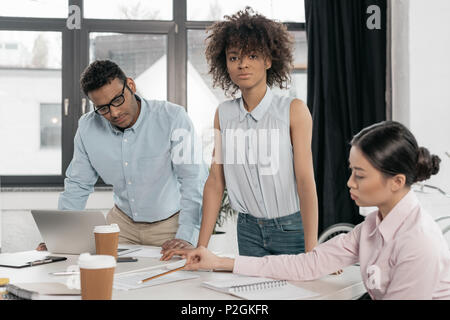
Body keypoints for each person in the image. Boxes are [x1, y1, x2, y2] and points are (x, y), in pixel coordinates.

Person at [164, 121, 450, 300]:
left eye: (360, 175)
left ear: (396, 182)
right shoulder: (373, 227)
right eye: (351, 171)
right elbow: (307, 264)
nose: (349, 183)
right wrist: (219, 262)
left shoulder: (418, 241)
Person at [163, 7, 319, 259]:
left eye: (252, 56)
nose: (242, 64)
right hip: (247, 231)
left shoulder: (293, 110)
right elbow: (215, 181)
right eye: (234, 57)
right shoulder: (223, 114)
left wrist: (313, 249)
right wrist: (202, 247)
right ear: (225, 64)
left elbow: (305, 181)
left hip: (290, 228)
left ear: (268, 60)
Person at [37, 60, 208, 251]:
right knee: (112, 278)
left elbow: (193, 180)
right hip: (121, 224)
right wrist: (62, 234)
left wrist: (187, 236)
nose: (114, 113)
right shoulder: (87, 127)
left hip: (170, 225)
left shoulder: (173, 118)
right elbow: (78, 184)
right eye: (103, 108)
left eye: (118, 100)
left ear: (131, 86)